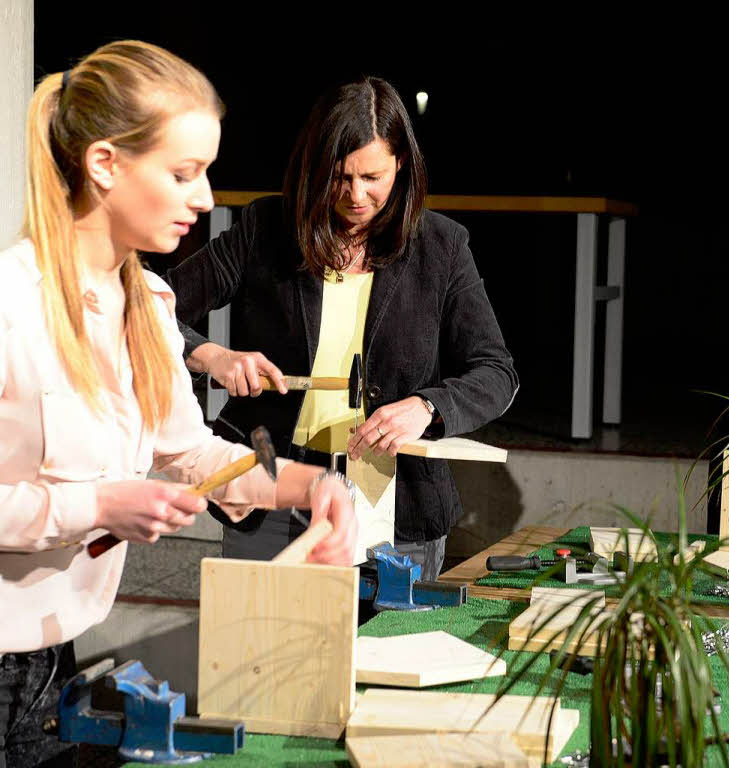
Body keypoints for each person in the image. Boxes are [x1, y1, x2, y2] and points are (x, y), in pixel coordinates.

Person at [0, 41, 357, 767]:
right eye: (183, 173)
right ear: (104, 165)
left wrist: (311, 485)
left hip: (54, 667)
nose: (205, 198)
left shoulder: (150, 306)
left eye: (207, 173)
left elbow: (191, 456)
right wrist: (95, 506)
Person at [166, 75, 518, 580]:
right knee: (261, 652)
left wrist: (428, 407)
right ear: (315, 168)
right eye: (340, 177)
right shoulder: (267, 229)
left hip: (399, 502)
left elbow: (496, 372)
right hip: (271, 479)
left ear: (401, 163)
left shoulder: (441, 247)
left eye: (373, 177)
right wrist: (212, 357)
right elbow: (149, 310)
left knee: (382, 652)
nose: (356, 195)